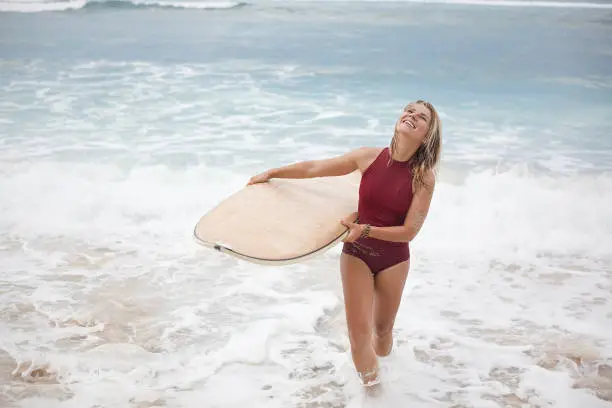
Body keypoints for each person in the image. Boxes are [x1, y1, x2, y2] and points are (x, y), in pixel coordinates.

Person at [247, 100, 442, 388]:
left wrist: (366, 230)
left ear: (427, 135)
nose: (411, 116)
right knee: (358, 336)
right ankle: (374, 394)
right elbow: (315, 168)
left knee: (382, 330)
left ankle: (391, 374)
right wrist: (274, 172)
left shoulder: (423, 177)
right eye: (409, 110)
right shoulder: (368, 157)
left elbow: (408, 231)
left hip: (394, 259)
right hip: (357, 253)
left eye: (421, 117)